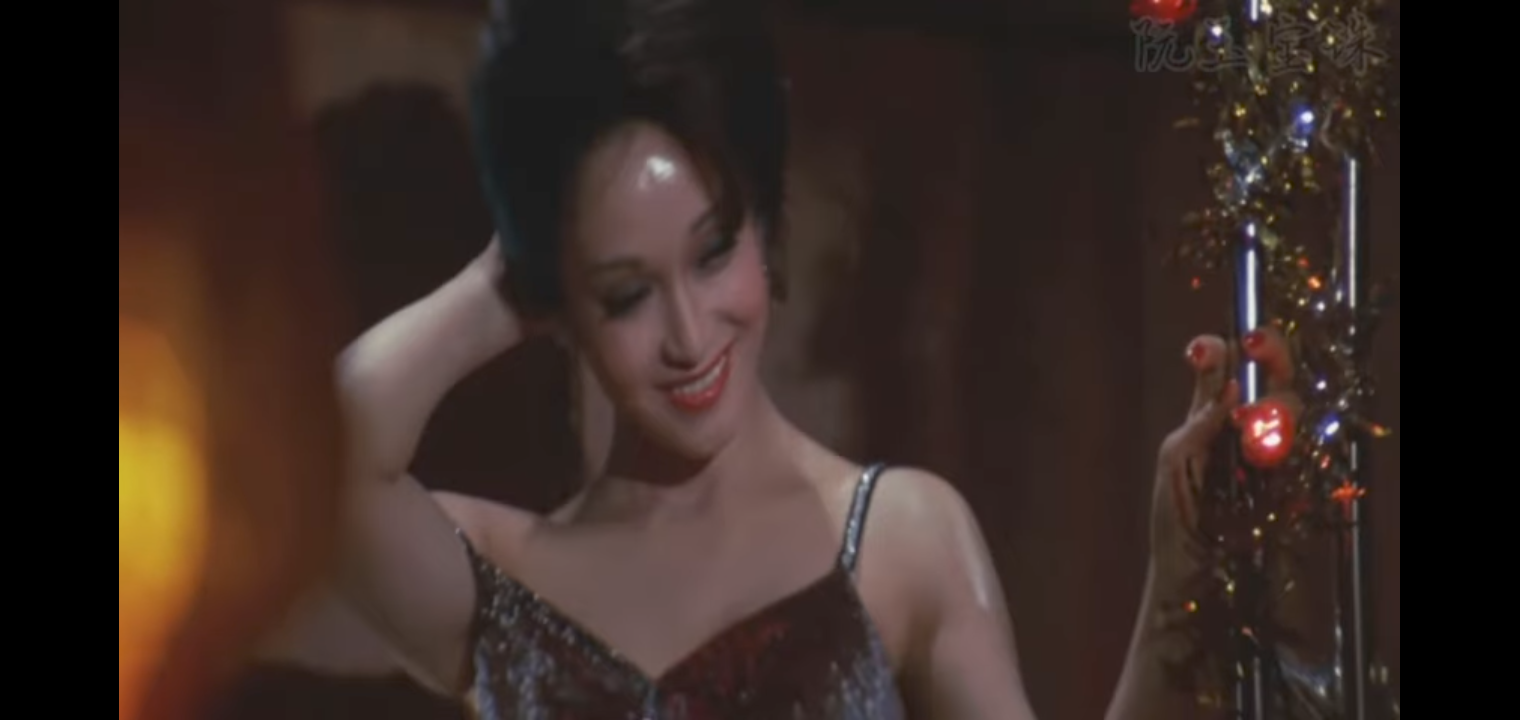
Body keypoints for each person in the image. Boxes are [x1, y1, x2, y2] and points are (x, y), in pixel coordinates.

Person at [298, 0, 1303, 717]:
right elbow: (314, 456)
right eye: (626, 293)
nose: (689, 336)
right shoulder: (497, 577)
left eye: (712, 252)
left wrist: (1180, 588)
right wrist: (514, 267)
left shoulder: (903, 537)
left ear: (766, 233)